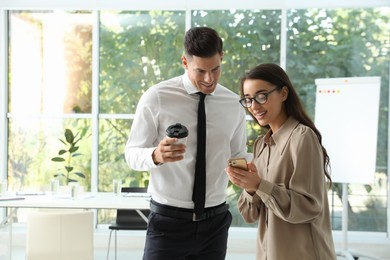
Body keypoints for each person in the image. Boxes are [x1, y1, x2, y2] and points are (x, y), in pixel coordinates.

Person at [124, 26, 250, 260]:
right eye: (200, 71)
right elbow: (131, 154)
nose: (209, 79)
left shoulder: (233, 104)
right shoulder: (157, 96)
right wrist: (155, 155)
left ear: (221, 57)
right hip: (167, 224)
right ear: (185, 61)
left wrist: (264, 164)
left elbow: (238, 153)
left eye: (215, 69)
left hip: (215, 223)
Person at [225, 63, 337, 260]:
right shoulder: (261, 144)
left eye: (261, 96)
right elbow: (251, 215)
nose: (254, 106)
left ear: (284, 93)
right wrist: (250, 188)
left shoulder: (302, 137)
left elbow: (309, 206)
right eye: (248, 100)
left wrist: (259, 185)